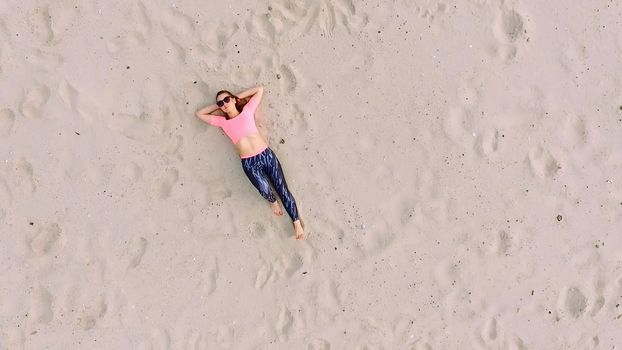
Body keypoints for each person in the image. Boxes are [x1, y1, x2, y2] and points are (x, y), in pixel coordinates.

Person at [195, 86, 305, 240]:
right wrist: (219, 106)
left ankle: (296, 223)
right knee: (263, 189)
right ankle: (272, 201)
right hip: (249, 162)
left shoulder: (247, 111)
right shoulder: (222, 121)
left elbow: (260, 89)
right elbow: (199, 114)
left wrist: (236, 97)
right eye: (221, 103)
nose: (224, 104)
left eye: (227, 99)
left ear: (233, 99)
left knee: (282, 189)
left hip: (266, 156)